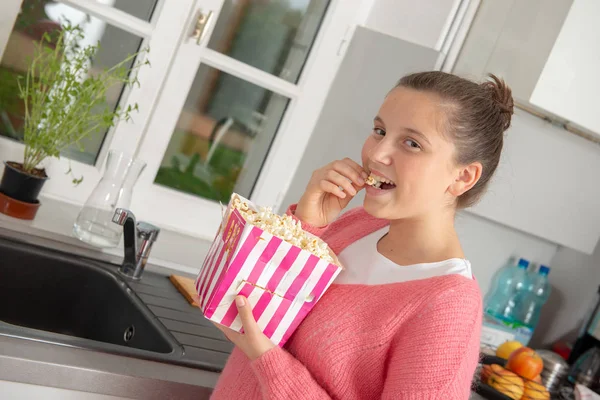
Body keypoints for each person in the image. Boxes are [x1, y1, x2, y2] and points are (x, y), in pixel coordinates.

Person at [210, 71, 514, 399]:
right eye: (380, 131)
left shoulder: (449, 308)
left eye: (412, 143)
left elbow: (259, 344)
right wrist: (308, 226)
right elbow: (248, 308)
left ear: (463, 176)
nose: (377, 154)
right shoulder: (356, 226)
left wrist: (265, 358)